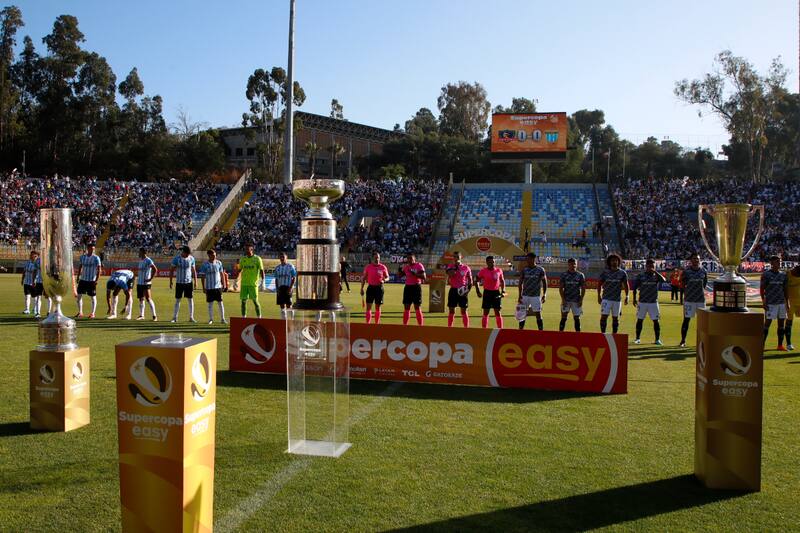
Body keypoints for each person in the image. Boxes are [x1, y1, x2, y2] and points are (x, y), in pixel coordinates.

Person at [632, 259, 666, 345]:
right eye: (649, 266)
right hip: (642, 302)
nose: (651, 267)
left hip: (653, 302)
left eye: (652, 266)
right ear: (646, 266)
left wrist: (656, 272)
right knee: (640, 320)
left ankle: (657, 339)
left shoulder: (656, 276)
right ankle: (637, 338)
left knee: (656, 320)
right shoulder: (641, 275)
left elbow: (664, 280)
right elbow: (635, 287)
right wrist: (634, 299)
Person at [679, 252, 708, 347]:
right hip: (689, 300)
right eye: (694, 258)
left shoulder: (704, 271)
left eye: (698, 259)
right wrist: (687, 294)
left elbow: (704, 284)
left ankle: (702, 342)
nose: (696, 260)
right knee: (686, 320)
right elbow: (682, 284)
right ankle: (683, 341)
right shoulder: (686, 272)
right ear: (691, 260)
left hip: (701, 300)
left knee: (703, 322)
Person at [761, 255, 788, 350]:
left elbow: (785, 290)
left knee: (781, 325)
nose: (779, 263)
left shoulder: (783, 275)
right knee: (767, 323)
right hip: (770, 303)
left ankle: (780, 345)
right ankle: (762, 344)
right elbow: (762, 289)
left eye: (780, 261)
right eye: (777, 261)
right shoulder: (766, 274)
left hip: (781, 303)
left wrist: (786, 302)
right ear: (772, 263)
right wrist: (763, 301)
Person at [598, 253, 629, 334]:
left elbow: (626, 285)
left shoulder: (622, 273)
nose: (614, 262)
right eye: (612, 260)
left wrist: (627, 296)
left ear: (619, 262)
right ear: (609, 262)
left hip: (617, 300)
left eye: (616, 260)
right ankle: (603, 334)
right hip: (606, 299)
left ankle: (614, 335)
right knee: (604, 317)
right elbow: (599, 284)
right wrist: (598, 296)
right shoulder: (605, 272)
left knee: (616, 318)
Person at [517, 252, 547, 330]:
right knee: (522, 314)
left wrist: (544, 294)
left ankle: (541, 331)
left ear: (534, 259)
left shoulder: (540, 269)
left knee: (538, 314)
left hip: (536, 296)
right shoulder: (524, 270)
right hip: (525, 296)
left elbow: (545, 283)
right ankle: (520, 330)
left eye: (529, 259)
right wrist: (519, 295)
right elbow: (520, 283)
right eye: (527, 259)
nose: (527, 260)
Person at [476, 255, 505, 329]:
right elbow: (476, 281)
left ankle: (500, 329)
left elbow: (502, 281)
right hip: (487, 293)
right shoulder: (483, 271)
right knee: (486, 312)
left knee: (497, 312)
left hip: (496, 293)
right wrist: (478, 291)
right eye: (490, 262)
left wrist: (503, 290)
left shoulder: (499, 270)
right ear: (487, 262)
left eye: (493, 261)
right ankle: (484, 329)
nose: (492, 263)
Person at [169, 245, 198, 323]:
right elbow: (171, 270)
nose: (188, 255)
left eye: (189, 253)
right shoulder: (176, 259)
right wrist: (171, 281)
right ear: (183, 252)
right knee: (178, 300)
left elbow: (194, 270)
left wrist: (196, 281)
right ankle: (175, 317)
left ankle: (191, 317)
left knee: (190, 299)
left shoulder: (191, 258)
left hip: (189, 282)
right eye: (187, 253)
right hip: (179, 282)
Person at [445, 251, 472, 328]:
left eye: (457, 257)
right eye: (454, 257)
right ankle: (450, 327)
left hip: (463, 290)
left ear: (461, 257)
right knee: (451, 310)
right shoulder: (450, 266)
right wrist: (455, 267)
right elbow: (451, 274)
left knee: (463, 310)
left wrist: (467, 291)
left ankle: (466, 328)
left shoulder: (466, 268)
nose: (455, 258)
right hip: (453, 290)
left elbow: (470, 280)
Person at [361, 251, 389, 324]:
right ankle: (368, 324)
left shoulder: (383, 267)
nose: (377, 259)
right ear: (372, 258)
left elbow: (387, 277)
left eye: (378, 258)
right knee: (368, 307)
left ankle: (376, 324)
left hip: (379, 289)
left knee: (378, 307)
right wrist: (361, 288)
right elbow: (363, 278)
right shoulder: (368, 267)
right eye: (375, 258)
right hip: (370, 288)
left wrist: (384, 280)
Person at [558, 258, 586, 332]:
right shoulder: (564, 275)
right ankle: (560, 334)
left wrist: (581, 300)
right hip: (566, 300)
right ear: (568, 264)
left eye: (574, 264)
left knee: (577, 318)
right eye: (571, 264)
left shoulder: (580, 275)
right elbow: (561, 288)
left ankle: (578, 336)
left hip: (576, 300)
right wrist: (563, 300)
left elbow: (583, 289)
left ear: (576, 265)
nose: (573, 265)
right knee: (564, 317)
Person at [75, 242, 102, 318]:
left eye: (93, 249)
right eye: (91, 248)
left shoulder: (96, 258)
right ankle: (80, 312)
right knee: (79, 296)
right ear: (88, 249)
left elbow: (99, 269)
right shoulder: (83, 257)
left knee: (93, 297)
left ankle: (92, 313)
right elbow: (80, 267)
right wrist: (78, 277)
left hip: (91, 280)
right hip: (83, 280)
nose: (92, 250)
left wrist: (96, 280)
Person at [201, 249, 227, 325]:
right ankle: (211, 319)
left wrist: (224, 284)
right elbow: (202, 276)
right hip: (209, 287)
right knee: (210, 304)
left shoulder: (219, 263)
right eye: (213, 255)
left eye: (215, 255)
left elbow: (222, 274)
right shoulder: (205, 264)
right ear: (209, 255)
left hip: (218, 287)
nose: (215, 256)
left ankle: (223, 319)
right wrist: (203, 287)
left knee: (220, 303)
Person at [238, 243, 264, 318]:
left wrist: (263, 282)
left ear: (251, 249)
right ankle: (244, 317)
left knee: (255, 301)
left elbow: (262, 270)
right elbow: (240, 270)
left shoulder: (257, 259)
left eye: (248, 249)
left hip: (253, 284)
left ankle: (259, 317)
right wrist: (236, 280)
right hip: (244, 284)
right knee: (243, 302)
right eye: (245, 249)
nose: (246, 250)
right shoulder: (243, 259)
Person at [400, 252, 426, 325]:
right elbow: (400, 275)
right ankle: (405, 326)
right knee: (406, 307)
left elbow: (424, 277)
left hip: (416, 287)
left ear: (414, 258)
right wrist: (400, 268)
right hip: (408, 287)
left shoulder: (419, 265)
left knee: (417, 307)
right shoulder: (406, 267)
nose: (409, 260)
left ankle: (420, 326)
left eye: (411, 258)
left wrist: (415, 274)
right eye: (408, 258)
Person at [135, 247, 158, 321]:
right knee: (141, 299)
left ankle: (154, 316)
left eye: (139, 252)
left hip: (146, 283)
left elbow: (155, 269)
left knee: (148, 298)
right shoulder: (140, 261)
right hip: (140, 282)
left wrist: (150, 278)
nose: (138, 253)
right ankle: (142, 315)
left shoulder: (148, 260)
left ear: (143, 252)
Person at [274, 252, 297, 319]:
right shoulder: (277, 268)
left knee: (289, 305)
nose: (282, 258)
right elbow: (276, 279)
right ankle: (283, 320)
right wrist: (277, 289)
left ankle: (292, 320)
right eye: (280, 257)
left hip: (288, 287)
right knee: (281, 305)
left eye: (283, 257)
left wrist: (291, 287)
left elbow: (294, 277)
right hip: (280, 288)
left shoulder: (290, 266)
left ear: (286, 258)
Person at [786, 263, 800, 351]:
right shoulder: (787, 274)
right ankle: (788, 344)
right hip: (790, 302)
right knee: (789, 323)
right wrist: (786, 302)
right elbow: (784, 289)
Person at [21, 250, 39, 315]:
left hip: (34, 283)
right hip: (26, 282)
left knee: (35, 297)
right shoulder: (27, 262)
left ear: (35, 256)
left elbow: (37, 273)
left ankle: (35, 309)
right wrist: (22, 279)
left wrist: (35, 280)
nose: (30, 256)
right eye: (30, 254)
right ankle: (27, 309)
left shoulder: (37, 264)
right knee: (27, 296)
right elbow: (24, 271)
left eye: (32, 255)